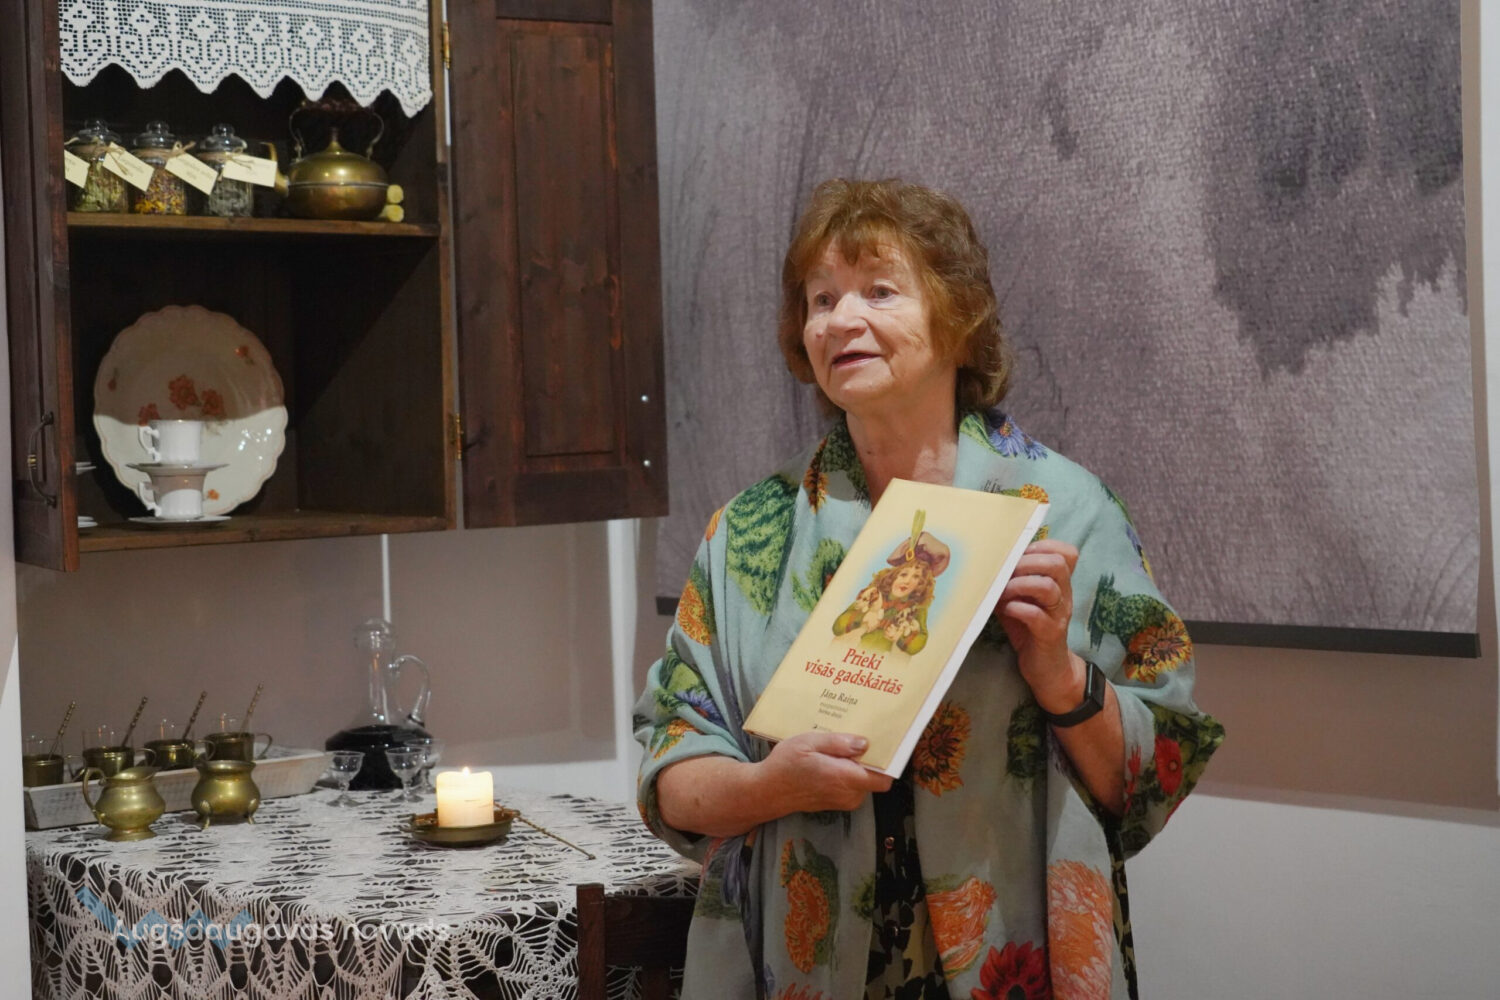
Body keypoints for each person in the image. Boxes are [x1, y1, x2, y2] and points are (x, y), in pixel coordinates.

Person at [635, 178, 1224, 1000]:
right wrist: (772, 787)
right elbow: (670, 770)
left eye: (879, 290)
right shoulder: (747, 533)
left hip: (1013, 956)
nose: (841, 320)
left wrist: (1060, 676)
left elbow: (1156, 769)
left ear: (958, 317)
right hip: (804, 963)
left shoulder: (1067, 513)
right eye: (820, 299)